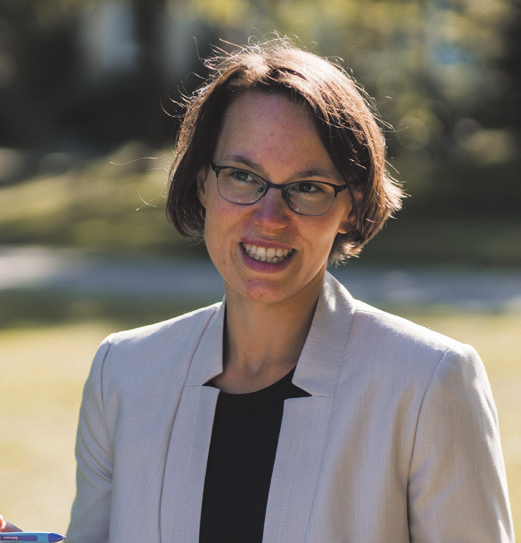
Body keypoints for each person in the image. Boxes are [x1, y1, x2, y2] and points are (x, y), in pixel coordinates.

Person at [3, 37, 513, 542]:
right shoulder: (124, 374)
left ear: (352, 206)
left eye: (308, 187)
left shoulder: (427, 384)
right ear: (202, 184)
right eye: (243, 176)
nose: (270, 218)